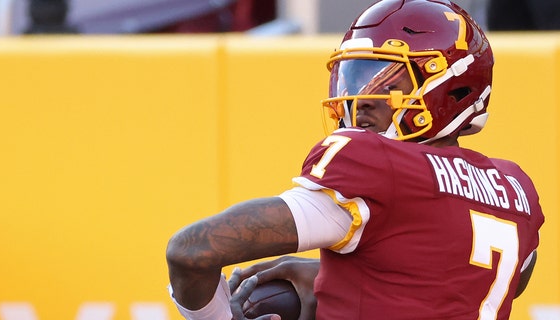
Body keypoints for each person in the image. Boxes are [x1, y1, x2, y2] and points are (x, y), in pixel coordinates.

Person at [165, 0, 545, 319]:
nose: (361, 97)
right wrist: (333, 276)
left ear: (455, 86)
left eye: (388, 82)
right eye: (356, 77)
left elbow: (191, 251)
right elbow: (470, 274)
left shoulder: (373, 163)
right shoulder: (515, 188)